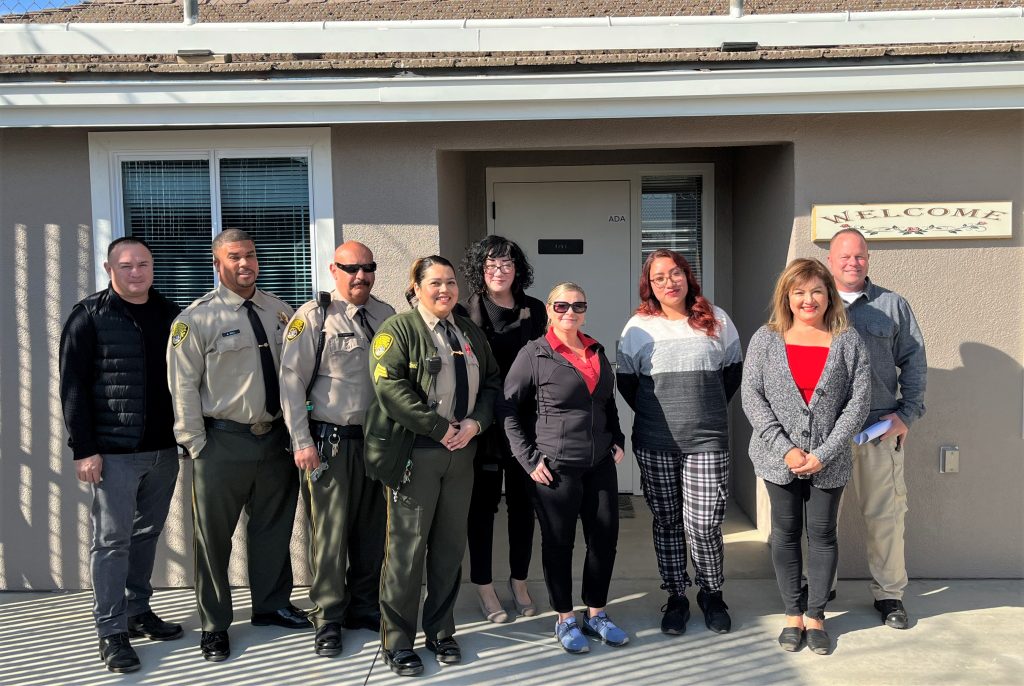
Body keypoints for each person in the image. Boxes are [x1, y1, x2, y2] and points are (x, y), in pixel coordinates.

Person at [166, 229, 310, 663]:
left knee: (273, 529)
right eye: (234, 257)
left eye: (251, 255)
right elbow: (183, 387)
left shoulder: (282, 312)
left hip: (274, 442)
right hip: (221, 444)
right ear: (217, 264)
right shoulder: (195, 320)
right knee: (213, 540)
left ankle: (271, 605)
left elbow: (297, 373)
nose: (245, 264)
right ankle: (214, 625)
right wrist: (195, 444)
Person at [363, 255, 501, 677]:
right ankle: (398, 641)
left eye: (451, 283)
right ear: (416, 288)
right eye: (435, 283)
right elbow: (390, 388)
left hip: (461, 455)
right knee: (406, 553)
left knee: (447, 549)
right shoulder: (399, 330)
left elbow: (492, 382)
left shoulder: (470, 331)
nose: (445, 290)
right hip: (416, 454)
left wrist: (476, 423)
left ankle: (441, 631)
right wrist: (439, 428)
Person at [59, 237, 183, 673]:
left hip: (163, 450)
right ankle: (111, 632)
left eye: (144, 264)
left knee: (146, 535)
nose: (136, 272)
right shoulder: (89, 316)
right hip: (112, 454)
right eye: (126, 265)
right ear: (109, 268)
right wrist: (85, 449)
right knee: (111, 542)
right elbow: (72, 386)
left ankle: (136, 610)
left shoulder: (171, 315)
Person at [741, 258, 870, 655]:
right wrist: (787, 448)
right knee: (784, 533)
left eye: (816, 290)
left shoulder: (847, 340)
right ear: (787, 296)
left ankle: (816, 615)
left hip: (828, 461)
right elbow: (752, 396)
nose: (808, 299)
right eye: (799, 292)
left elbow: (859, 401)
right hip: (777, 458)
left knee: (823, 534)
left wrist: (825, 452)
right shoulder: (766, 338)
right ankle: (792, 614)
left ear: (829, 295)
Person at [617, 249, 743, 636]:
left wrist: (701, 408)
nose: (669, 282)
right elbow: (628, 383)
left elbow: (732, 373)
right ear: (649, 286)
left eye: (675, 274)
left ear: (688, 276)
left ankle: (711, 592)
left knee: (704, 524)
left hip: (707, 440)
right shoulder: (637, 327)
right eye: (659, 278)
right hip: (655, 442)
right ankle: (675, 596)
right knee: (668, 522)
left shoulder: (717, 320)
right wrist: (664, 413)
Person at [499, 282, 628, 655]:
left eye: (577, 305)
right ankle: (565, 618)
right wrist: (528, 459)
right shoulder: (534, 354)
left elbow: (606, 403)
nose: (569, 312)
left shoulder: (595, 349)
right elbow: (508, 409)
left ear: (585, 310)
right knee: (559, 544)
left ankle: (597, 614)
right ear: (550, 311)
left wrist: (617, 437)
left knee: (604, 540)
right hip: (556, 467)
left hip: (600, 463)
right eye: (561, 305)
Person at [280, 241, 395, 657]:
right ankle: (328, 615)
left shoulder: (385, 316)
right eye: (351, 268)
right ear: (334, 269)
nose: (360, 275)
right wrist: (301, 441)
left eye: (368, 267)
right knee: (329, 534)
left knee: (370, 529)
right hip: (328, 444)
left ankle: (364, 607)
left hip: (375, 443)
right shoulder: (313, 317)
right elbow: (291, 382)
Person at [827, 228, 927, 630]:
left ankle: (889, 596)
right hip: (826, 432)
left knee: (886, 516)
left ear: (868, 259)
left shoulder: (893, 305)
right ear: (830, 261)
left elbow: (914, 361)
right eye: (845, 256)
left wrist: (908, 413)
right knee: (820, 518)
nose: (853, 263)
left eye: (861, 256)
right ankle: (821, 588)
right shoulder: (814, 301)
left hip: (877, 428)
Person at [456, 236, 546, 624]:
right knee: (482, 508)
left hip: (528, 424)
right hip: (483, 424)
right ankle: (484, 586)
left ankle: (519, 580)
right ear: (479, 269)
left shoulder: (536, 310)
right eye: (491, 264)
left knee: (524, 506)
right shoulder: (462, 312)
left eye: (507, 264)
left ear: (518, 270)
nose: (498, 270)